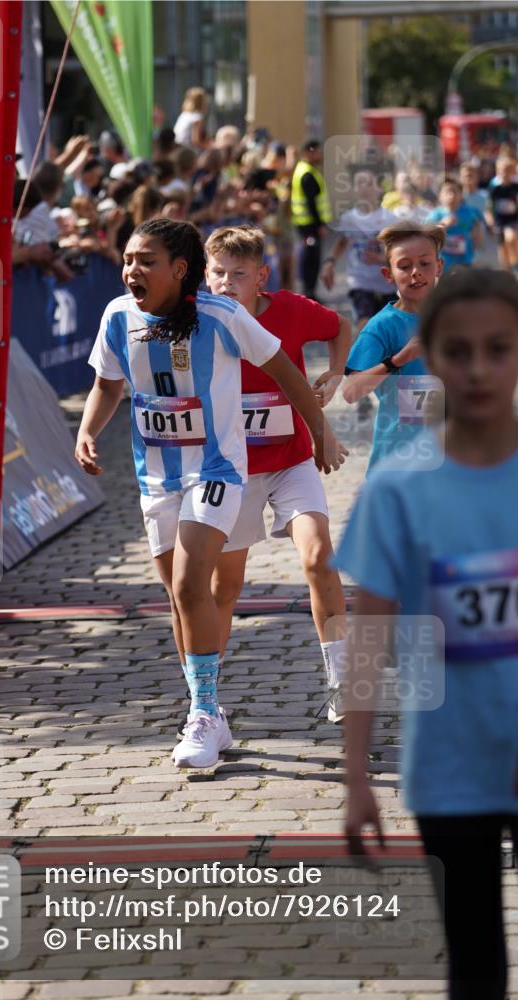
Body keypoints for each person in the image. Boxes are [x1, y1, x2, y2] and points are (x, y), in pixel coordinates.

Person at [75, 219, 347, 770]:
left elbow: (288, 373)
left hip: (219, 470)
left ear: (179, 269)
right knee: (183, 598)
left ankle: (202, 712)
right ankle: (211, 712)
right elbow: (108, 382)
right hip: (157, 476)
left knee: (191, 581)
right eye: (127, 259)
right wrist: (87, 428)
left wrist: (319, 428)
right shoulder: (117, 316)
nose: (132, 270)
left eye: (146, 260)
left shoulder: (224, 316)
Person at [336, 267, 518, 1000]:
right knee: (475, 969)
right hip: (449, 767)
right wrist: (354, 776)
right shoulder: (398, 489)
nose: (477, 369)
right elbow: (370, 641)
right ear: (430, 360)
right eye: (457, 351)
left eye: (499, 349)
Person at [205, 225, 351, 724]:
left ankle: (341, 682)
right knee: (226, 588)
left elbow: (339, 326)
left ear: (261, 278)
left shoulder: (290, 310)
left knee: (319, 559)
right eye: (218, 273)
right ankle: (206, 699)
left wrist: (335, 374)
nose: (227, 283)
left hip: (291, 461)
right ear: (205, 275)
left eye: (239, 275)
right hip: (232, 471)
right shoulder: (196, 321)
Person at [342, 221, 445, 474]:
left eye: (424, 263)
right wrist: (398, 359)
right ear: (388, 275)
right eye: (404, 266)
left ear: (438, 267)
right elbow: (350, 392)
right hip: (400, 462)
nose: (415, 272)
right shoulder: (382, 326)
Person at [321, 170, 397, 333]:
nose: (364, 187)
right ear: (354, 190)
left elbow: (399, 253)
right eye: (359, 183)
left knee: (388, 329)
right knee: (365, 326)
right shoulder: (349, 218)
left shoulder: (390, 219)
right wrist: (329, 263)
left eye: (369, 183)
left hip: (387, 283)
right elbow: (342, 242)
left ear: (378, 188)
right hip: (360, 281)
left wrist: (380, 259)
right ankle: (368, 357)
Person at [291, 139, 332, 301]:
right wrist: (320, 224)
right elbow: (311, 202)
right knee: (311, 260)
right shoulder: (307, 173)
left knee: (310, 259)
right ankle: (309, 294)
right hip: (309, 225)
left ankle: (310, 292)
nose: (320, 155)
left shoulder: (305, 170)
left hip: (306, 224)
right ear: (309, 151)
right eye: (318, 152)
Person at [426, 176, 482, 273]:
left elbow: (476, 225)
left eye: (455, 191)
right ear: (440, 196)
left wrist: (476, 240)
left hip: (464, 260)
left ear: (461, 195)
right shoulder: (435, 214)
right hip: (443, 262)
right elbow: (427, 234)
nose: (451, 195)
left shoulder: (468, 211)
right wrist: (444, 225)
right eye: (447, 192)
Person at [488, 155, 518, 273]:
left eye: (507, 171)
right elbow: (489, 206)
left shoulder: (516, 187)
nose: (504, 173)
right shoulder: (495, 188)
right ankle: (507, 272)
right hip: (499, 221)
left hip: (513, 220)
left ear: (513, 172)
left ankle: (515, 263)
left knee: (510, 238)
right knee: (502, 249)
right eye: (501, 171)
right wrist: (490, 220)